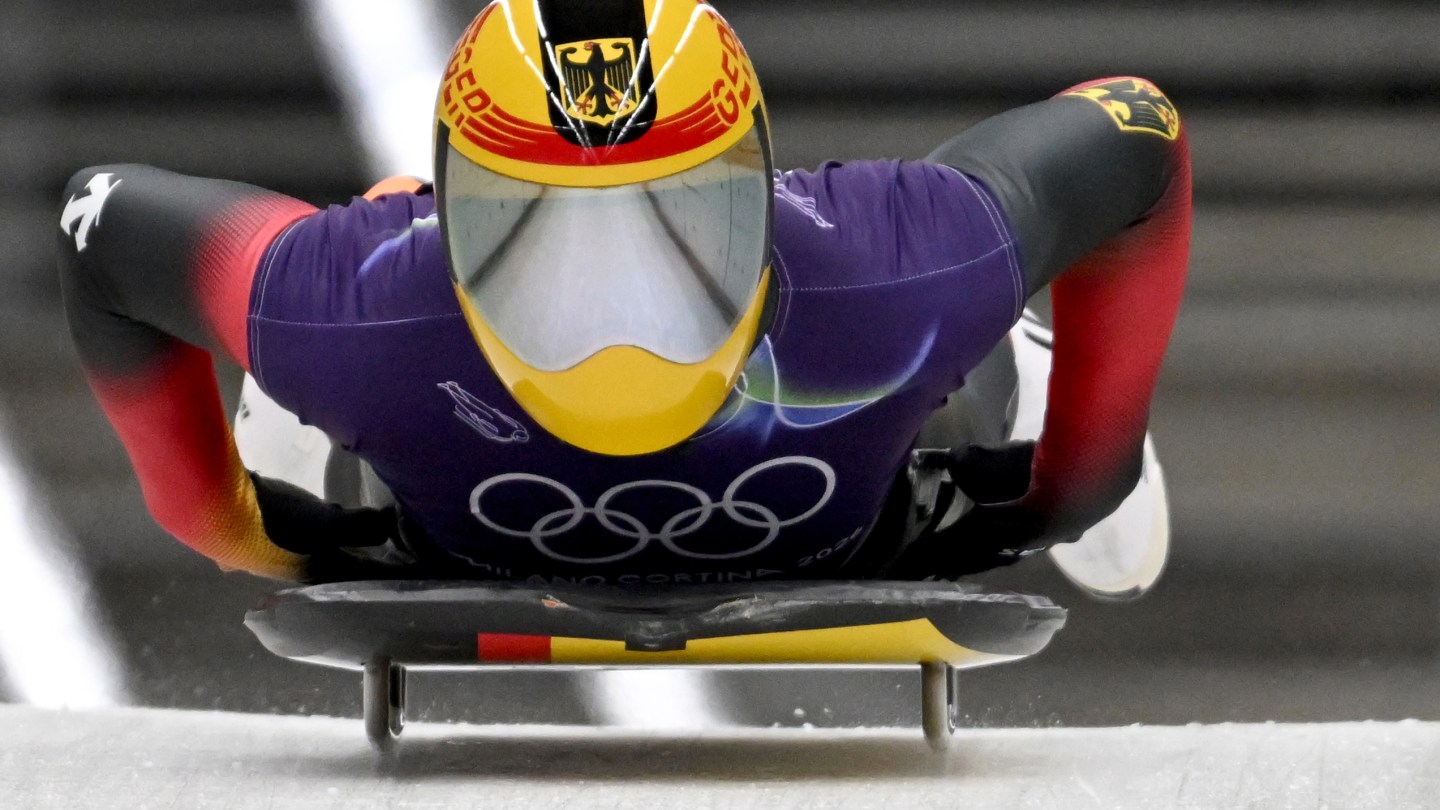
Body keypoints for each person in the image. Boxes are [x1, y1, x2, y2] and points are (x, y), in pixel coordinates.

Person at [58, 0, 1189, 589]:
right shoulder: (909, 269)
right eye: (537, 222)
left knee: (945, 302)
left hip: (414, 376)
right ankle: (1022, 375)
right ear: (456, 217)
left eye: (674, 216)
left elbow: (102, 223)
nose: (615, 315)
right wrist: (1070, 486)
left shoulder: (344, 312)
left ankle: (1015, 362)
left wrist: (228, 528)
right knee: (944, 300)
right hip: (857, 350)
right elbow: (1140, 129)